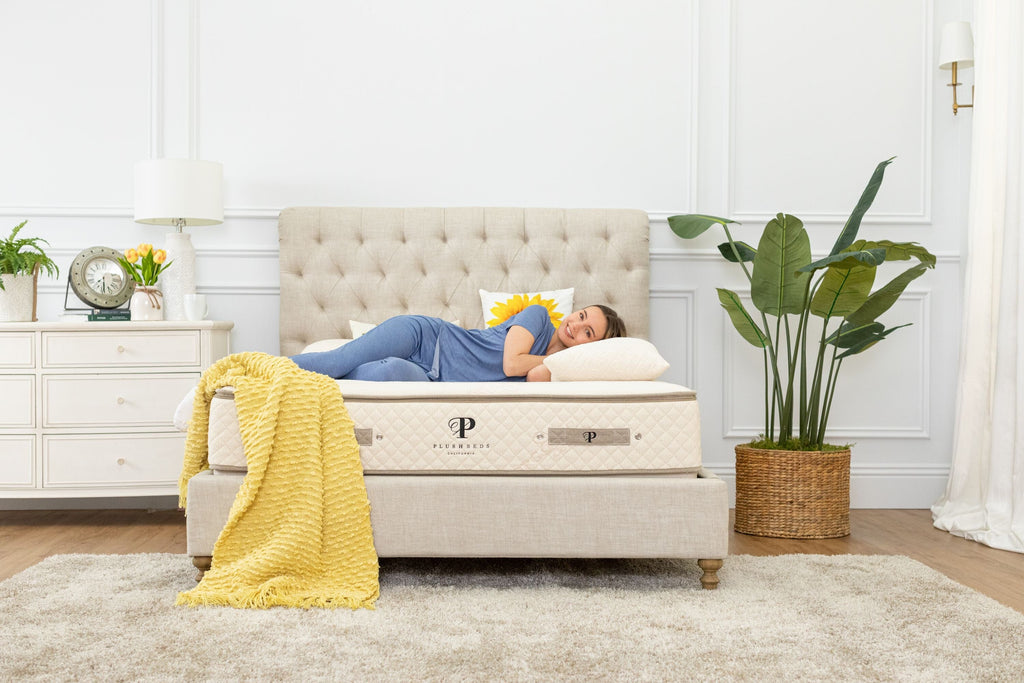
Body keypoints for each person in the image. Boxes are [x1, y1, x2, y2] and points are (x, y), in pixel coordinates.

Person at [290, 304, 627, 382]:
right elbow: (512, 364)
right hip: (425, 338)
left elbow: (536, 379)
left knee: (386, 373)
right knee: (335, 363)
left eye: (588, 332)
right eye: (581, 315)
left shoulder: (556, 369)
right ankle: (252, 369)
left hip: (431, 379)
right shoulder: (538, 317)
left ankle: (297, 383)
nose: (576, 325)